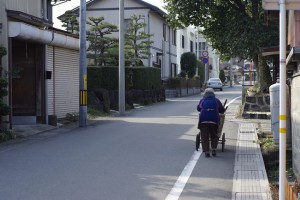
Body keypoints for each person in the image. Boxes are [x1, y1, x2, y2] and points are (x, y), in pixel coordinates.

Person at [197, 88, 225, 157]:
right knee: (214, 135)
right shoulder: (216, 100)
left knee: (204, 136)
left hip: (203, 120)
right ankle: (214, 149)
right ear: (213, 94)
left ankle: (206, 151)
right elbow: (221, 110)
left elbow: (198, 108)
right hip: (214, 120)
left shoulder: (202, 100)